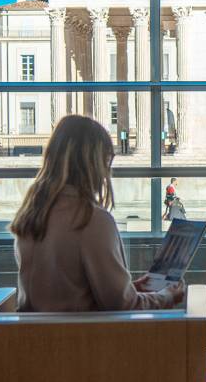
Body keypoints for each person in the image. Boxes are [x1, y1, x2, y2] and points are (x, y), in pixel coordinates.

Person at [10, 115, 184, 312]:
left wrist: (132, 288)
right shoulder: (90, 220)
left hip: (36, 338)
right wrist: (166, 296)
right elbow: (122, 305)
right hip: (84, 340)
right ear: (93, 163)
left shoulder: (32, 214)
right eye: (106, 162)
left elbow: (67, 291)